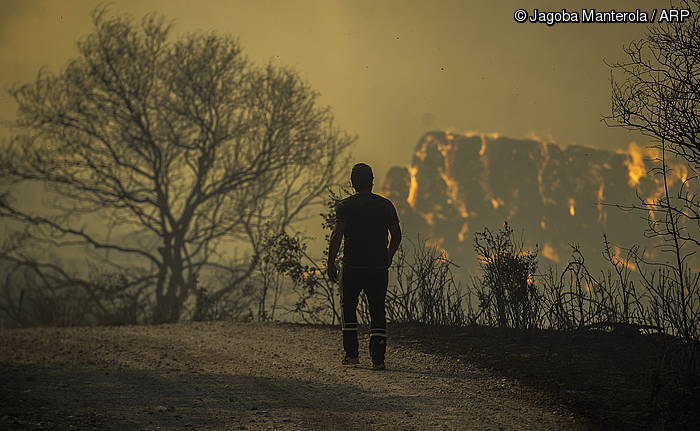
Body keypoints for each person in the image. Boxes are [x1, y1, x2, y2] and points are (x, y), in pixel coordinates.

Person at [327, 163, 402, 370]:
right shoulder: (385, 205)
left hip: (352, 266)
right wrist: (388, 255)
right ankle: (378, 359)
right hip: (377, 267)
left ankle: (351, 355)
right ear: (372, 181)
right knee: (377, 309)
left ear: (352, 183)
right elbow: (396, 235)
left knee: (348, 308)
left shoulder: (345, 206)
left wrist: (331, 262)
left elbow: (337, 234)